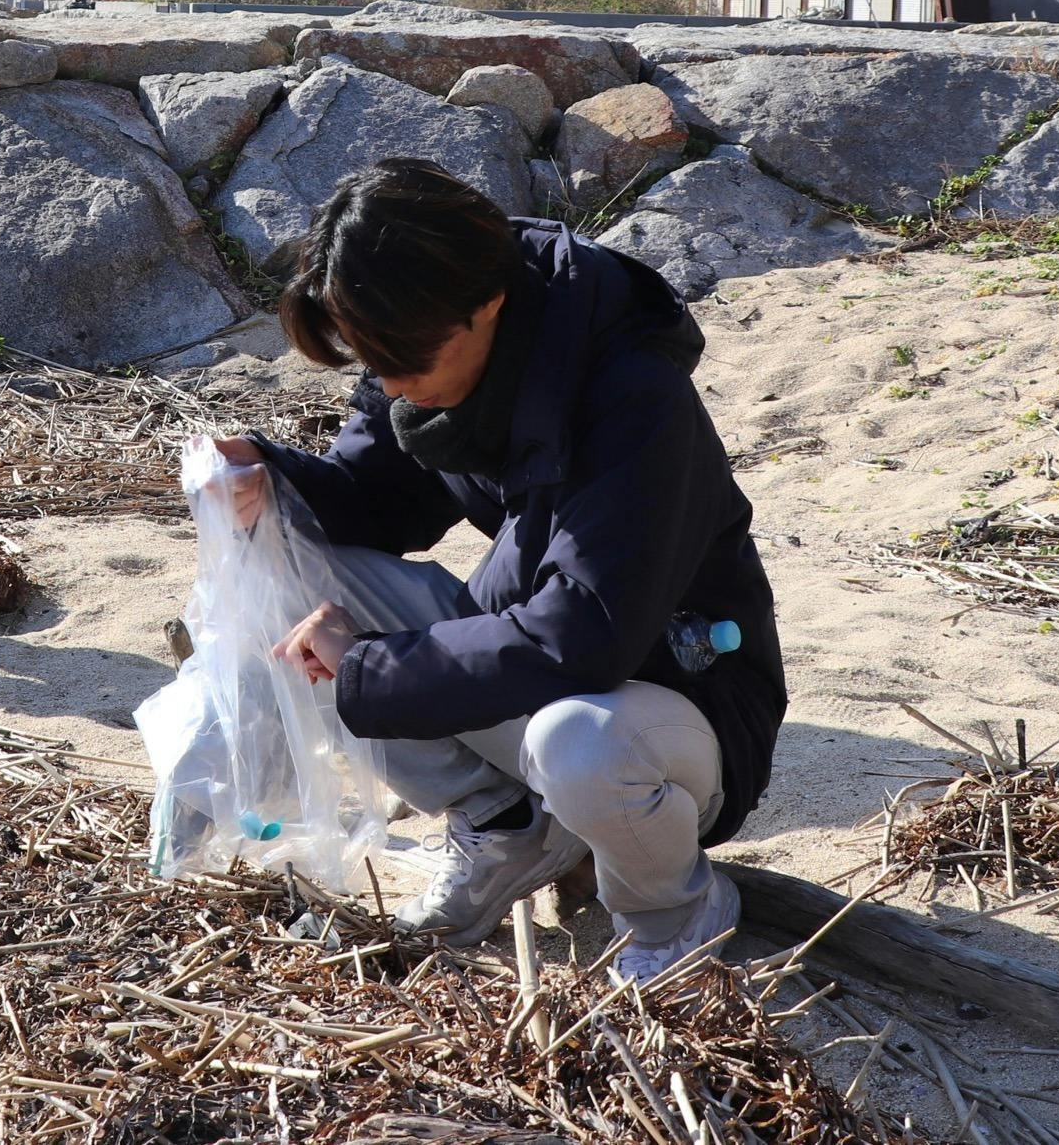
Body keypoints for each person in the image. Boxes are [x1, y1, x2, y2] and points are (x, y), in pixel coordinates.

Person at [215, 158, 785, 986]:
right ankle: (506, 824)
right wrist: (268, 476)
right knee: (286, 543)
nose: (391, 380)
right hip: (547, 671)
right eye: (372, 359)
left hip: (677, 707)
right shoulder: (431, 354)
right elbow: (376, 500)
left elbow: (583, 636)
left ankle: (676, 911)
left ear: (486, 304)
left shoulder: (633, 395)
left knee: (578, 742)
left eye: (403, 357)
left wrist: (369, 663)